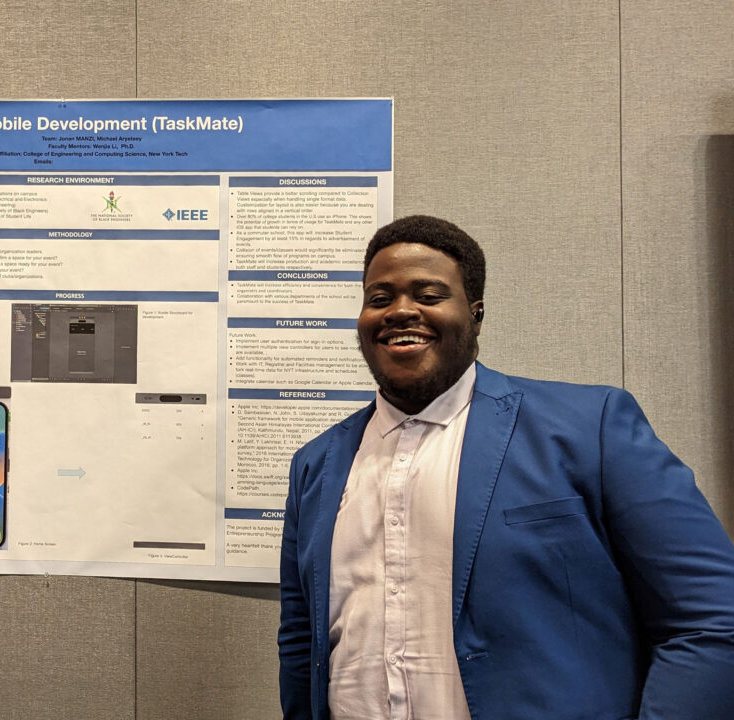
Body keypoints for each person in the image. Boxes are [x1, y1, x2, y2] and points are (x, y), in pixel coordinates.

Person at [278, 215, 734, 719]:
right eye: (380, 298)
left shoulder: (590, 428)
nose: (400, 311)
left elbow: (710, 620)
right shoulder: (315, 465)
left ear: (475, 315)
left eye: (428, 295)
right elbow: (303, 639)